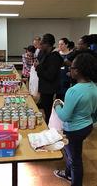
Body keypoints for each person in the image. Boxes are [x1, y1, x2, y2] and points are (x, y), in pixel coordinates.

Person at [53, 53, 97, 186]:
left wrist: (57, 106)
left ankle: (75, 181)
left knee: (75, 159)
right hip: (87, 126)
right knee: (72, 151)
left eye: (71, 67)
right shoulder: (94, 87)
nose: (69, 70)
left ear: (77, 71)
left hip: (73, 130)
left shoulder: (73, 91)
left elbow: (64, 116)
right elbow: (93, 111)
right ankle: (67, 173)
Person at [34, 33, 63, 124]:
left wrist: (38, 67)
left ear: (48, 44)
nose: (40, 46)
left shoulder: (54, 57)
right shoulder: (45, 53)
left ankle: (50, 125)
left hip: (49, 88)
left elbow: (50, 76)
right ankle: (48, 122)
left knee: (48, 110)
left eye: (42, 44)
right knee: (45, 108)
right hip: (44, 86)